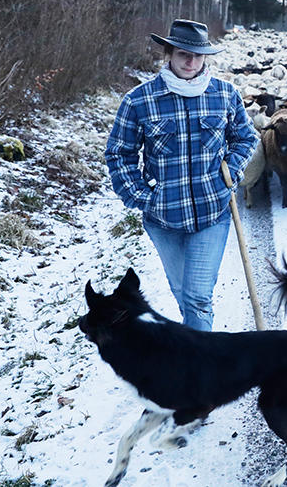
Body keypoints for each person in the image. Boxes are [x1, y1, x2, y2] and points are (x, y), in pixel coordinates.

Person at [105, 19, 258, 331]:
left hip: (212, 213)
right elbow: (119, 153)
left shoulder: (224, 95)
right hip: (164, 219)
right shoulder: (139, 100)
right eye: (184, 54)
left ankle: (200, 373)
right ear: (169, 54)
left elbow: (246, 137)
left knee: (198, 297)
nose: (192, 62)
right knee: (183, 294)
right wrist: (144, 197)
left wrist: (230, 172)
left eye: (198, 56)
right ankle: (193, 353)